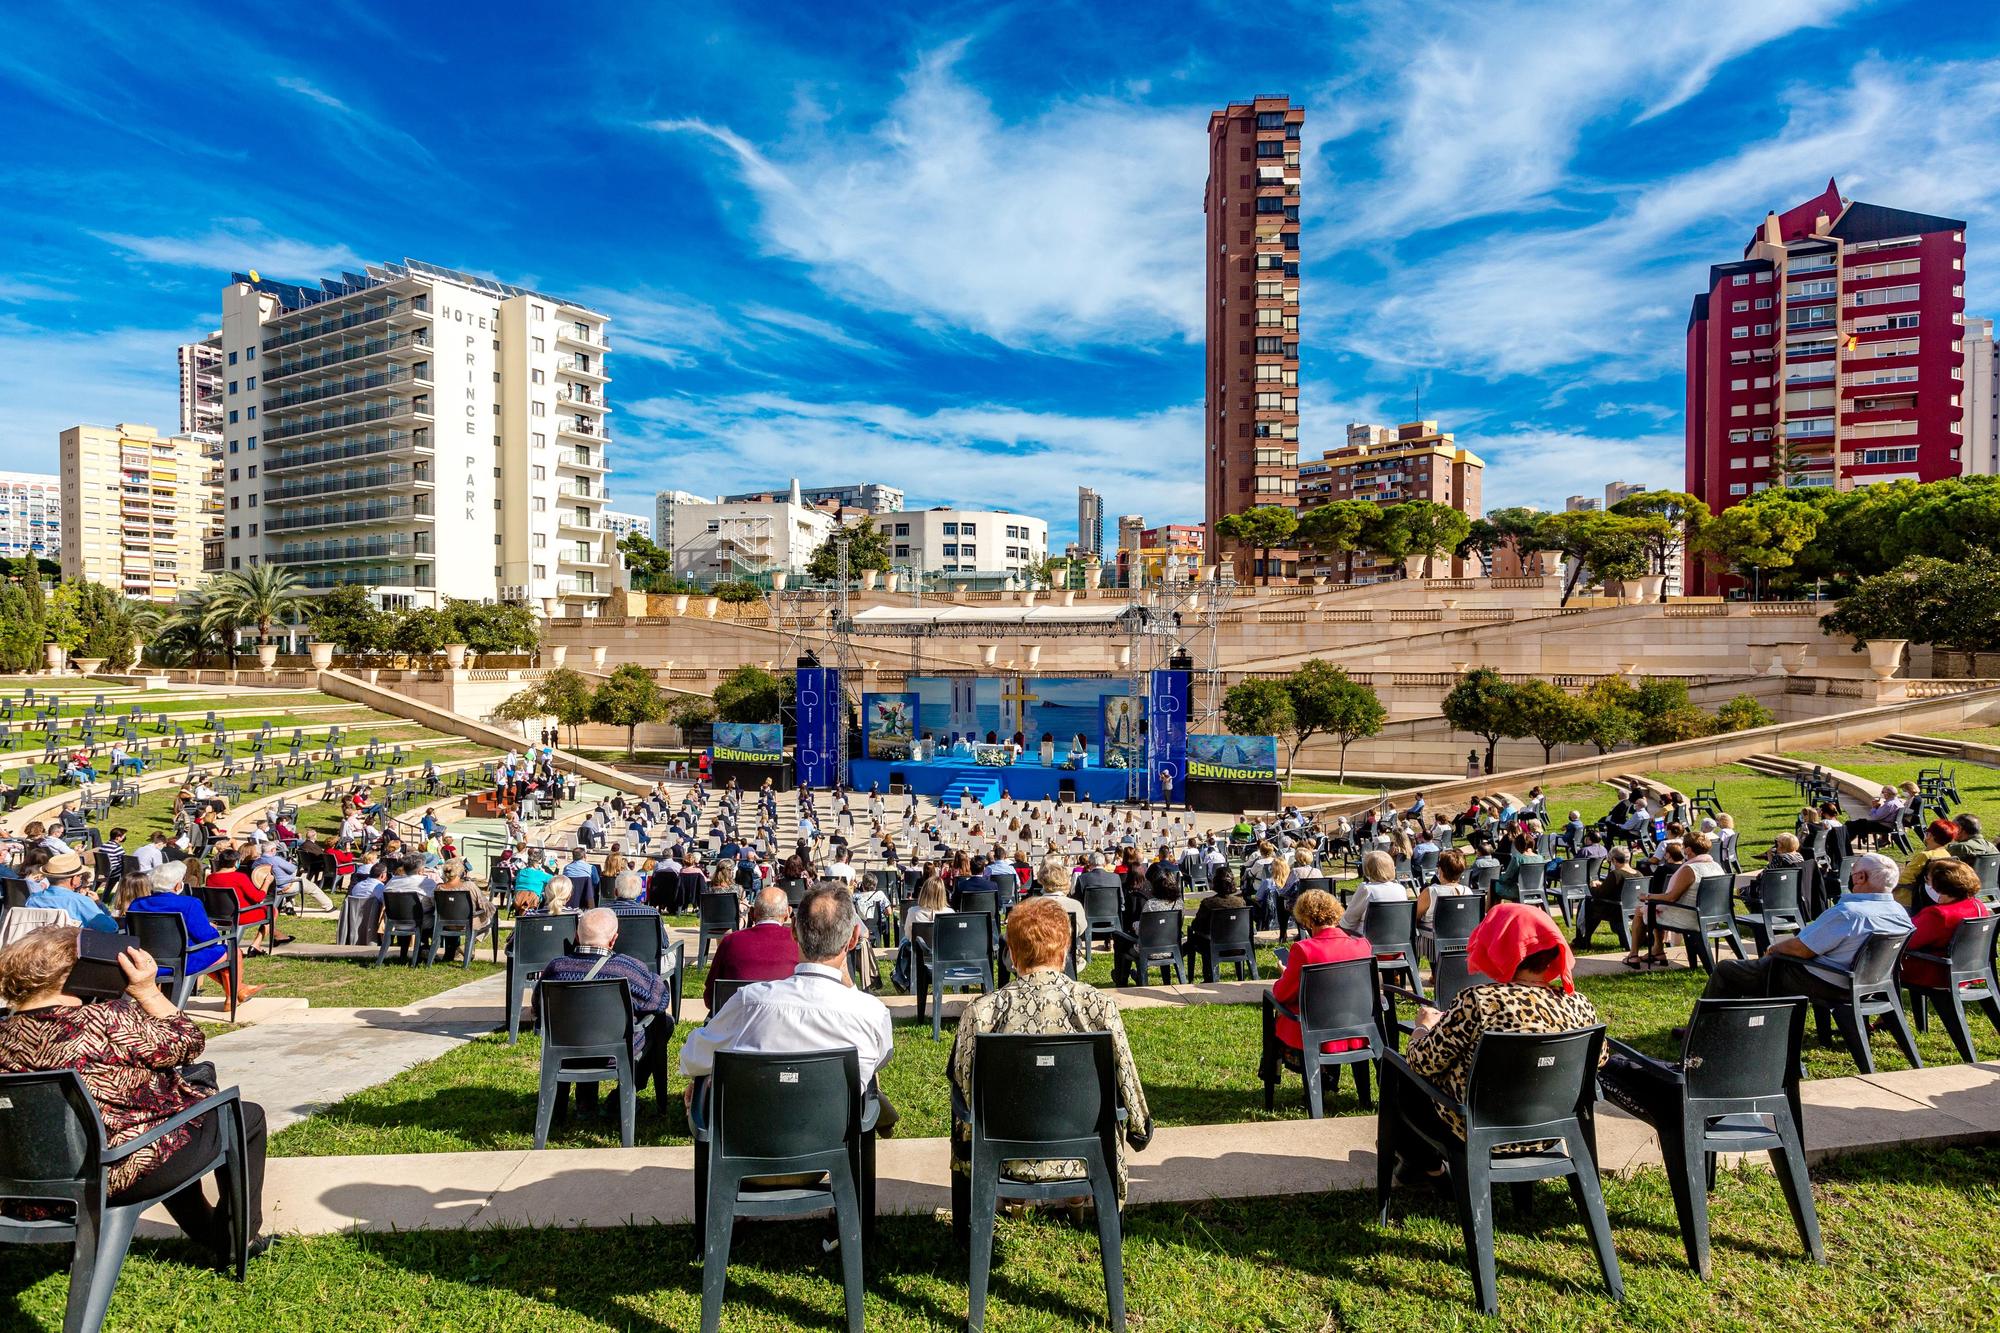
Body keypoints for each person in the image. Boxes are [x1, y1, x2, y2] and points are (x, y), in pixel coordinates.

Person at [0, 926, 268, 1260]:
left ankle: (210, 1230)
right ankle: (237, 1240)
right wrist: (148, 992)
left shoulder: (5, 1032)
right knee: (245, 1116)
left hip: (26, 1187)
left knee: (171, 1126)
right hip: (114, 1172)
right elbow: (188, 1042)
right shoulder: (105, 1019)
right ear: (80, 968)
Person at [948, 897, 1153, 1209]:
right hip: (1086, 1155)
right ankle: (1078, 1196)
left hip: (1002, 1159)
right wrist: (1140, 1129)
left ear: (1011, 953)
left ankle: (1009, 1200)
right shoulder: (1098, 1005)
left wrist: (965, 1147)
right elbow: (1126, 1074)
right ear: (1066, 948)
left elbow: (963, 1085)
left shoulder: (983, 1011)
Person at [1391, 904, 1602, 1179]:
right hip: (1551, 1131)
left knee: (1399, 1074)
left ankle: (1430, 1170)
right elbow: (1601, 1058)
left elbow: (1424, 1061)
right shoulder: (1578, 1005)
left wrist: (1423, 1029)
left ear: (1498, 946)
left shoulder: (1480, 1001)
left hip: (1480, 1130)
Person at [680, 885, 898, 1131]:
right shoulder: (872, 1013)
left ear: (793, 930)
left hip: (750, 1140)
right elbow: (877, 1060)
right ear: (854, 938)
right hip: (832, 1139)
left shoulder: (749, 1002)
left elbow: (692, 1057)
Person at [1703, 852, 1912, 1005]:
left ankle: (1708, 1024)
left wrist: (1774, 949)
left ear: (1860, 878)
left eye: (1854, 872)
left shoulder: (1848, 913)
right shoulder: (1901, 914)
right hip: (1873, 982)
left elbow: (1802, 949)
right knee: (1759, 970)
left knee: (1727, 969)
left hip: (1826, 982)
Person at [535, 908, 675, 1090]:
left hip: (564, 1050)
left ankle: (583, 1103)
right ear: (613, 939)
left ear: (576, 936)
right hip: (616, 1052)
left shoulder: (556, 968)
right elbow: (659, 1002)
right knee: (666, 1023)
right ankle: (623, 1095)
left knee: (584, 1029)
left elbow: (537, 1005)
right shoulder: (627, 969)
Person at [1264, 887, 1373, 1068]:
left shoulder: (1303, 950)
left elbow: (1282, 995)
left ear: (1306, 920)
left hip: (1315, 1031)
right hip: (1357, 1028)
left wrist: (1285, 974)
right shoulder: (1363, 945)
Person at [1623, 829, 1724, 968]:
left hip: (1690, 917)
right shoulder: (1716, 866)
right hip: (1713, 916)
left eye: (1683, 847)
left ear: (1688, 850)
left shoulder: (1690, 869)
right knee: (1655, 908)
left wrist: (1647, 896)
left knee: (1641, 910)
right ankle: (1657, 950)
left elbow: (1671, 897)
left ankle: (1633, 955)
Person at [702, 886, 799, 1008]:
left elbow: (711, 998)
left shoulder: (730, 941)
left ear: (752, 913)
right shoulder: (799, 943)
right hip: (785, 1020)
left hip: (736, 1022)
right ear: (787, 914)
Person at [1901, 859, 1990, 992]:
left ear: (1938, 884)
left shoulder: (1939, 914)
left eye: (1928, 880)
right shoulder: (1978, 905)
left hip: (1936, 973)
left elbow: (1907, 941)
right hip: (1968, 971)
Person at [1182, 865, 1249, 978]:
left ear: (1215, 882)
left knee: (1194, 940)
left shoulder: (1208, 903)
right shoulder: (1241, 903)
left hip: (1213, 947)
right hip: (1238, 946)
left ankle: (1206, 976)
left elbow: (1196, 926)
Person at [24, 850, 118, 932]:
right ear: (74, 879)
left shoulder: (33, 899)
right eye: (80, 876)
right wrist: (99, 904)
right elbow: (111, 928)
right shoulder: (81, 902)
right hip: (70, 949)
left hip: (37, 948)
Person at [1340, 849, 1409, 933]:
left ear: (1367, 869)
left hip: (1366, 941)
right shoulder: (1400, 888)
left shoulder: (1367, 889)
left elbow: (1347, 923)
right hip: (1395, 938)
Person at [1897, 819, 1960, 905]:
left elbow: (1905, 879)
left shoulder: (1925, 856)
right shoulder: (1947, 855)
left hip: (1908, 898)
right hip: (1931, 898)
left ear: (1929, 835)